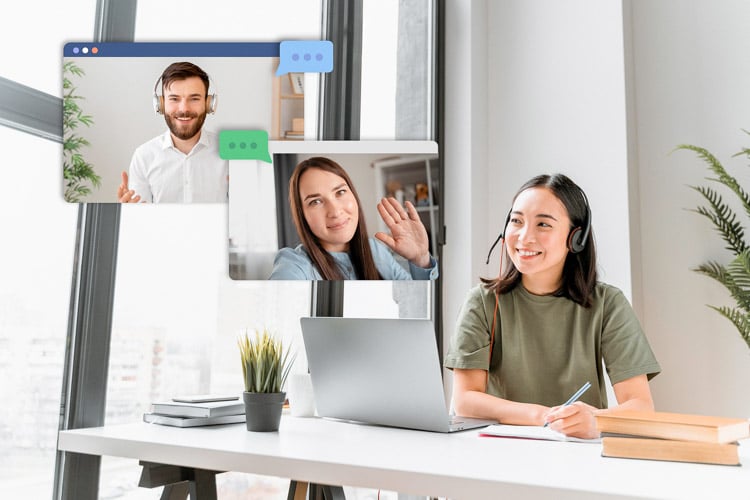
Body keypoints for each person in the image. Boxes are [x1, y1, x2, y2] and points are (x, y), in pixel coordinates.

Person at [444, 173, 660, 439]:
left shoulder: (608, 304)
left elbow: (641, 407)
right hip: (501, 452)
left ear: (575, 238)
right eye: (516, 221)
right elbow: (465, 400)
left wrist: (597, 419)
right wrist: (545, 416)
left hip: (578, 452)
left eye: (543, 224)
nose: (524, 237)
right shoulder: (482, 301)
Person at [269, 156, 439, 280]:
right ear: (302, 214)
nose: (335, 211)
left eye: (340, 192)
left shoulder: (376, 250)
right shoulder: (295, 264)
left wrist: (420, 260)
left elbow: (419, 307)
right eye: (316, 201)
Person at [117, 61, 228, 203]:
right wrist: (129, 215)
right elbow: (143, 220)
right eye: (174, 99)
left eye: (194, 99)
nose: (184, 109)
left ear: (208, 103)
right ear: (161, 104)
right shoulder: (144, 157)